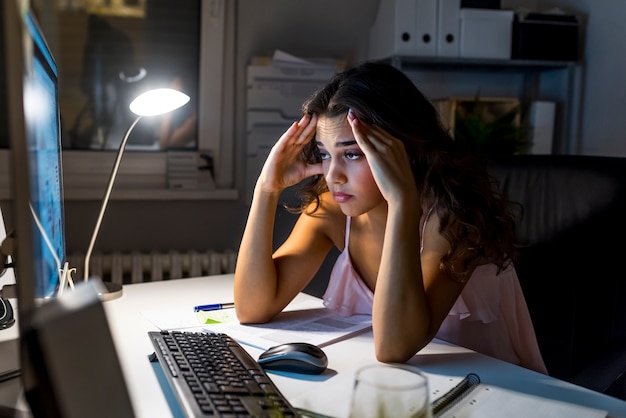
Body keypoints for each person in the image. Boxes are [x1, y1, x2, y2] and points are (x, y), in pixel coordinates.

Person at [234, 61, 547, 374]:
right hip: (398, 388)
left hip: (490, 395)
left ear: (402, 150)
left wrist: (401, 201)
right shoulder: (333, 210)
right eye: (325, 154)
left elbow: (394, 347)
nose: (333, 176)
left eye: (352, 154)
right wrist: (266, 189)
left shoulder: (452, 219)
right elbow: (252, 309)